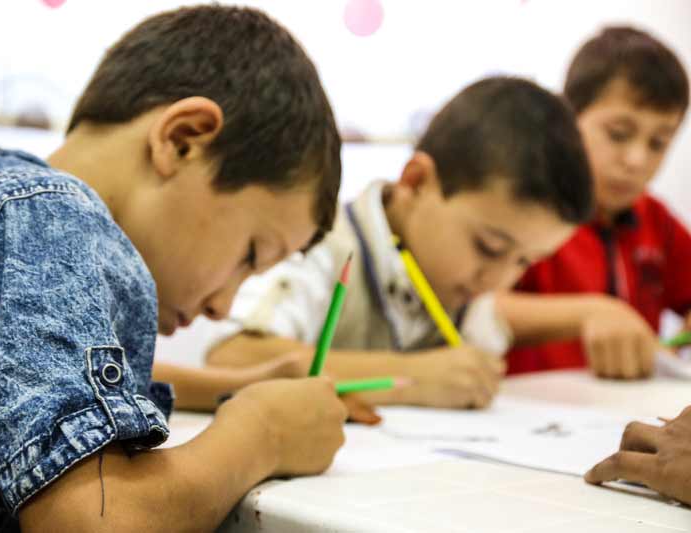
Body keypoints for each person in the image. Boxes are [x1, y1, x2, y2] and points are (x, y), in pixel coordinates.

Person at [0, 6, 349, 531]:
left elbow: (39, 367)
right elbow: (94, 521)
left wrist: (237, 384)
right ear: (183, 140)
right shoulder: (44, 216)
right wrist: (263, 432)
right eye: (250, 254)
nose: (223, 307)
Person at [206, 76, 593, 409]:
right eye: (489, 247)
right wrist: (412, 377)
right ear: (417, 182)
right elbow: (230, 356)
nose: (497, 279)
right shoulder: (321, 242)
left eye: (525, 262)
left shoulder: (467, 293)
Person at [500, 26, 690, 379]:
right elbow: (476, 306)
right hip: (532, 412)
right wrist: (590, 313)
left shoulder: (656, 219)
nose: (636, 160)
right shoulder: (528, 208)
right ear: (568, 119)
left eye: (659, 143)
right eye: (618, 134)